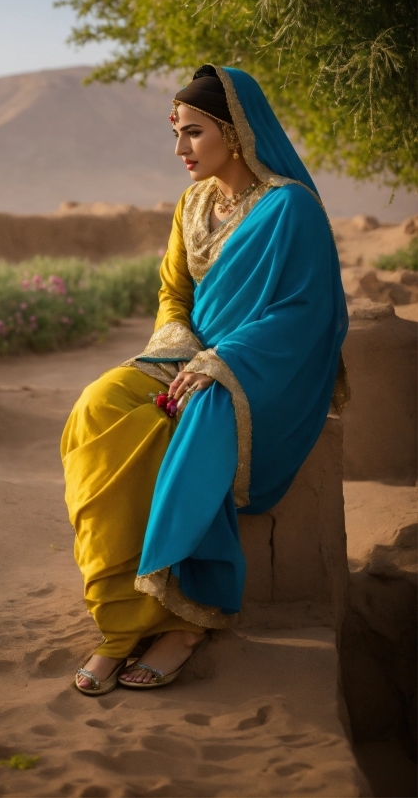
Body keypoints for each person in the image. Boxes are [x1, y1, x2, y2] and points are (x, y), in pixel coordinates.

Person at [61, 64, 349, 695]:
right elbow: (173, 295)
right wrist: (178, 354)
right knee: (99, 404)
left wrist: (219, 364)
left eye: (192, 132)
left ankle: (188, 623)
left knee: (202, 411)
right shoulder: (191, 205)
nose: (180, 149)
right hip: (188, 357)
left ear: (236, 131)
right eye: (175, 133)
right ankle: (125, 619)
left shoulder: (289, 208)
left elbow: (304, 313)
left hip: (263, 374)